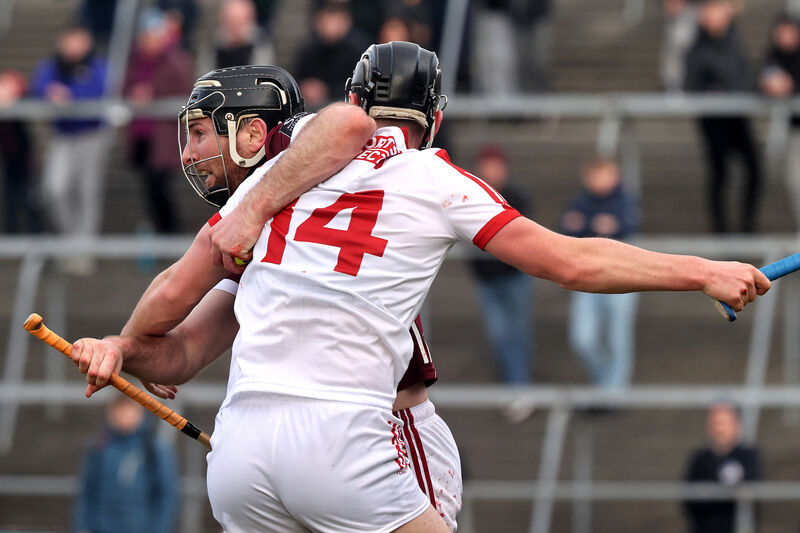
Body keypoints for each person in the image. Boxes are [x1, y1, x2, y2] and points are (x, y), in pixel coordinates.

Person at [75, 42, 768, 532]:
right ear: (434, 119)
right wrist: (702, 270)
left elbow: (178, 334)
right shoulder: (431, 175)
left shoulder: (275, 181)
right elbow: (573, 263)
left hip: (240, 447)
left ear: (350, 96)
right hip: (343, 431)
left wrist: (120, 345)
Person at [73, 63, 462, 531]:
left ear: (254, 132)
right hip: (311, 440)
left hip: (391, 427)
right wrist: (126, 351)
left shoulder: (294, 153)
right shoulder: (268, 217)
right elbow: (188, 348)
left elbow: (177, 286)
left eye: (199, 134)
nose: (190, 153)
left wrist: (128, 338)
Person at [32, 24, 109, 274]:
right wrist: (49, 92)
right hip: (63, 136)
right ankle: (71, 242)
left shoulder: (97, 66)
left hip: (92, 134)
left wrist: (70, 96)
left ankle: (83, 251)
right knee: (54, 189)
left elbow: (100, 90)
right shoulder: (52, 66)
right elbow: (39, 85)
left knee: (87, 192)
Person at [560, 157, 640, 392]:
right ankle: (605, 383)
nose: (599, 180)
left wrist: (589, 226)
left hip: (622, 280)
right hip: (588, 279)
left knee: (618, 338)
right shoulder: (580, 201)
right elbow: (565, 229)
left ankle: (613, 393)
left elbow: (627, 228)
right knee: (582, 338)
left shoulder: (625, 200)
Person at [684, 0, 761, 233]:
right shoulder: (697, 48)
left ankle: (747, 226)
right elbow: (692, 84)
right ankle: (721, 230)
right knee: (720, 174)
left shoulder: (735, 41)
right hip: (714, 120)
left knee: (755, 169)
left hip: (737, 117)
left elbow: (744, 77)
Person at [468, 145, 534, 386]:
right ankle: (514, 384)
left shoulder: (516, 197)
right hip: (487, 279)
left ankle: (518, 384)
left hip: (513, 276)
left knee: (515, 332)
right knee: (499, 334)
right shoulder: (471, 196)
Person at [125, 8, 194, 234]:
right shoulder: (136, 60)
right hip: (142, 135)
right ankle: (163, 233)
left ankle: (171, 233)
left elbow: (186, 89)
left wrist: (152, 92)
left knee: (161, 187)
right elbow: (124, 87)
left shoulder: (175, 59)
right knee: (151, 188)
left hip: (163, 136)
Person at [73, 395, 179, 533]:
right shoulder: (99, 446)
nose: (123, 416)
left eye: (128, 411)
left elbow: (166, 496)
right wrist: (84, 526)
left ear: (140, 413)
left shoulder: (154, 448)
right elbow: (88, 492)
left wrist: (158, 529)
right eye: (119, 411)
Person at [683, 400, 762, 533]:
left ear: (736, 425)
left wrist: (712, 492)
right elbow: (689, 495)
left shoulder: (747, 455)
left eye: (724, 423)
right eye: (715, 423)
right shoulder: (700, 458)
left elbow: (750, 490)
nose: (719, 429)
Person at [760, 12, 800, 229]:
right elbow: (761, 75)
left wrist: (791, 85)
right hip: (793, 131)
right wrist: (768, 83)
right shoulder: (773, 56)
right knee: (795, 182)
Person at [0, 69, 42, 234]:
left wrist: (13, 99)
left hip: (24, 158)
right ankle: (12, 236)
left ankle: (38, 236)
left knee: (31, 201)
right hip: (8, 159)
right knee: (10, 201)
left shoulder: (21, 99)